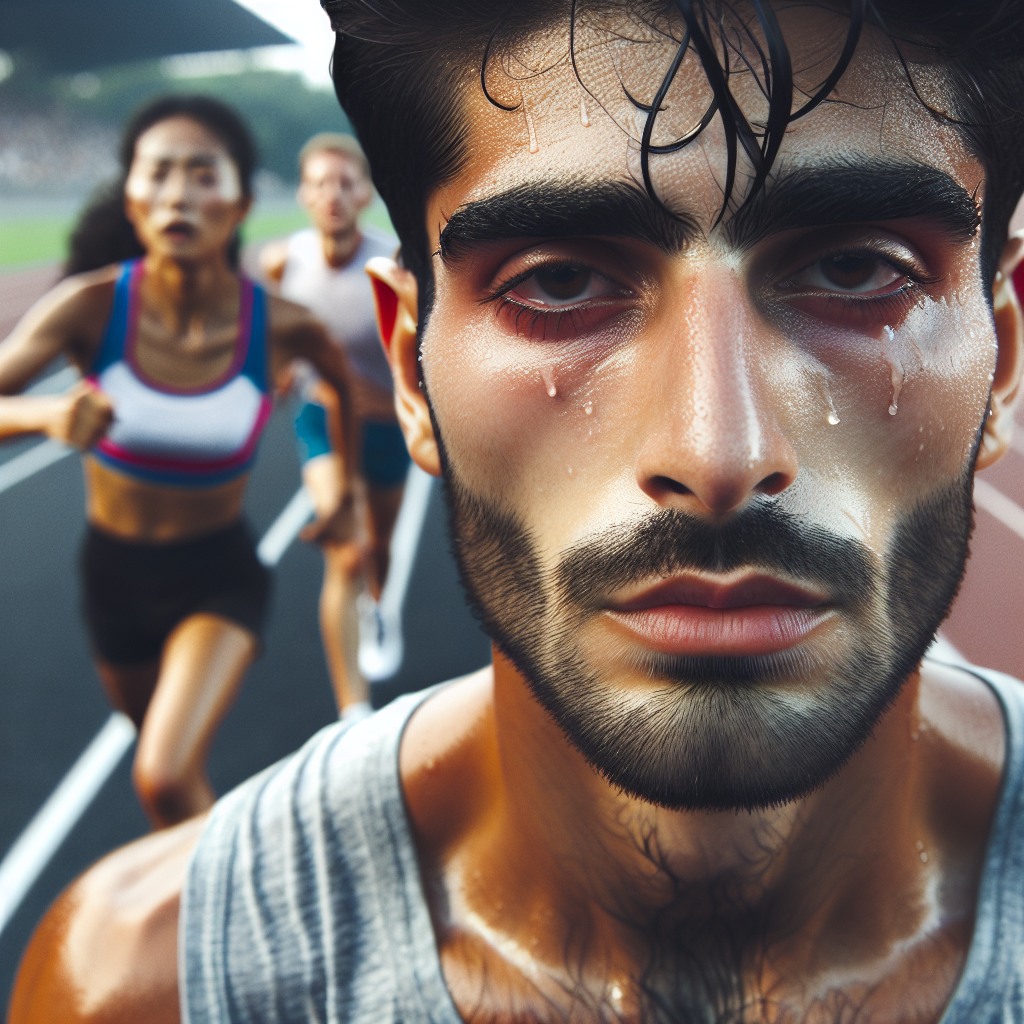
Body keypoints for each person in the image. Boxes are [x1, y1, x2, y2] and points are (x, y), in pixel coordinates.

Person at [10, 2, 1024, 1020]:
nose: (718, 454)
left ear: (1005, 362)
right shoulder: (141, 985)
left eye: (858, 269)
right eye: (559, 279)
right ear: (411, 369)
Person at [0, 96, 357, 830]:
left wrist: (344, 487)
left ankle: (231, 923)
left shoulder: (284, 325)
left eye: (202, 174)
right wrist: (43, 413)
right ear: (132, 197)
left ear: (241, 202)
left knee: (162, 777)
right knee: (165, 776)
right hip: (113, 577)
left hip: (216, 577)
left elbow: (343, 390)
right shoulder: (89, 310)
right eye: (158, 174)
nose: (178, 194)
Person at [260, 133, 406, 718]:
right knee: (345, 550)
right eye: (320, 183)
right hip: (320, 420)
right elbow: (276, 325)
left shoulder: (392, 263)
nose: (333, 195)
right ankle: (353, 710)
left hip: (386, 428)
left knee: (381, 549)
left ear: (366, 193)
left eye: (346, 183)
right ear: (303, 194)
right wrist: (279, 367)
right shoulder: (283, 260)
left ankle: (379, 606)